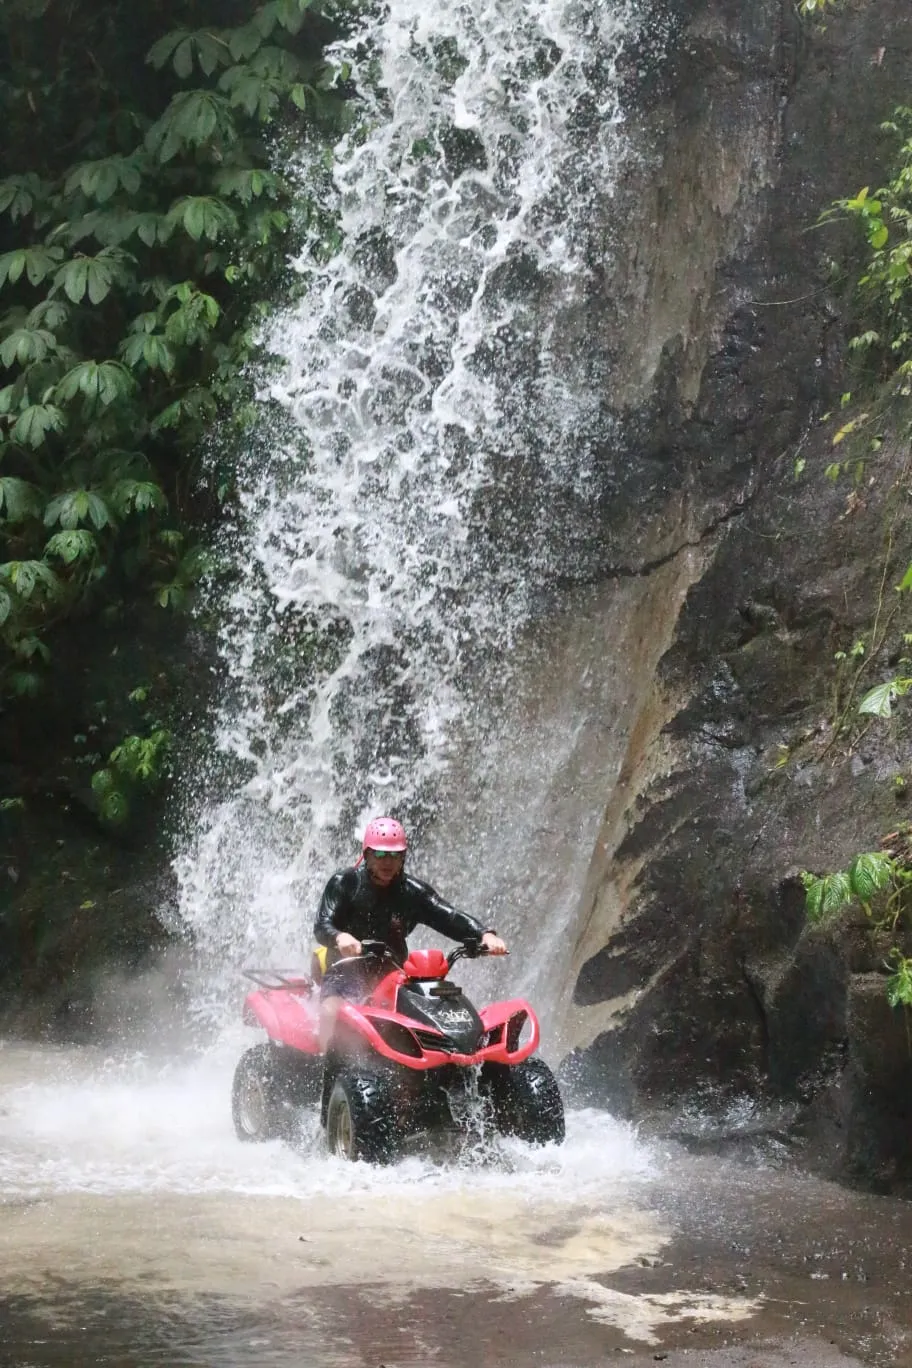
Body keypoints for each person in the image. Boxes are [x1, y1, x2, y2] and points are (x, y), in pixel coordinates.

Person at [313, 816, 506, 1045]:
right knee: (331, 1010)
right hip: (345, 970)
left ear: (403, 857)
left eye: (395, 855)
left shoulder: (412, 892)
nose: (388, 862)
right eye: (381, 855)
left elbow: (448, 916)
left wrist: (483, 934)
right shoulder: (344, 883)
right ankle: (324, 1066)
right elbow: (322, 925)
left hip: (393, 973)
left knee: (428, 1014)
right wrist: (340, 936)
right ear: (367, 855)